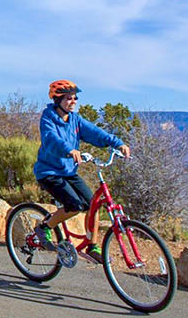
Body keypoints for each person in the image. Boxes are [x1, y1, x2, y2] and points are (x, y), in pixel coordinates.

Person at [33, 79, 131, 264]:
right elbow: (51, 139)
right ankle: (45, 227)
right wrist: (68, 150)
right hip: (49, 172)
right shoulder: (48, 118)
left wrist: (118, 143)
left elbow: (95, 133)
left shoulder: (75, 120)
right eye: (69, 98)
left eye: (75, 98)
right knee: (75, 205)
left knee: (92, 204)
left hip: (69, 172)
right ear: (58, 100)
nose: (73, 101)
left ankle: (92, 246)